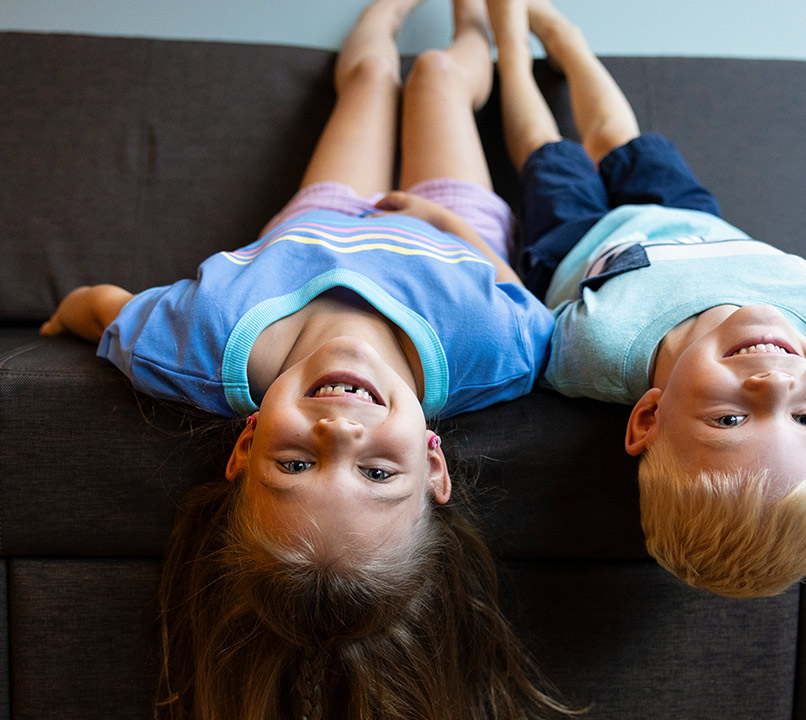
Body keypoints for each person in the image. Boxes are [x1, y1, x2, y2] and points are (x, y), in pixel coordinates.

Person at [42, 0, 575, 716]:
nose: (340, 434)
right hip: (449, 238)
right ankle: (482, 32)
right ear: (433, 461)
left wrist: (63, 314)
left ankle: (384, 18)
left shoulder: (200, 344)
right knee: (441, 78)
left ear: (245, 444)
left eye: (295, 465)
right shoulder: (492, 349)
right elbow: (525, 302)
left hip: (313, 220)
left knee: (370, 78)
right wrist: (448, 223)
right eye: (379, 472)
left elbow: (103, 306)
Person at [487, 0, 806, 599]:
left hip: (582, 241)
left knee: (547, 153)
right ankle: (567, 43)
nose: (774, 385)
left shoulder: (596, 350)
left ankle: (509, 55)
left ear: (648, 416)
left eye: (731, 419)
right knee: (620, 138)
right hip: (694, 222)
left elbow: (515, 313)